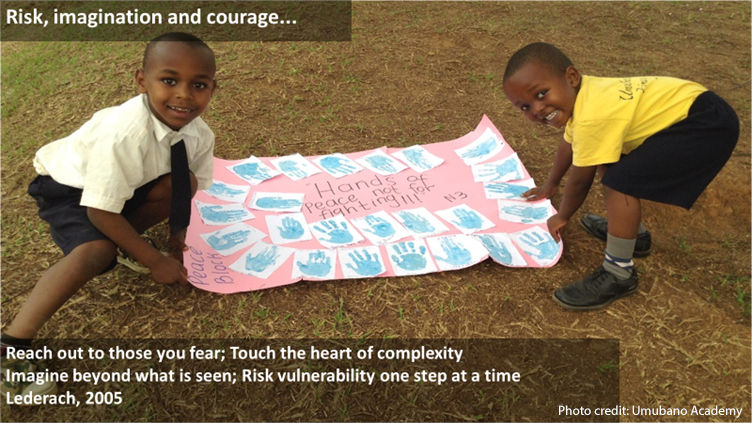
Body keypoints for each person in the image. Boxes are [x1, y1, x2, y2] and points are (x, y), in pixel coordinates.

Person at [1, 32, 217, 400]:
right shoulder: (124, 133)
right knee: (96, 252)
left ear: (214, 88)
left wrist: (177, 234)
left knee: (186, 182)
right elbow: (99, 209)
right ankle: (13, 344)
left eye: (198, 84)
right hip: (69, 188)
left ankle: (120, 240)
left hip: (124, 185)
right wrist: (154, 260)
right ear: (140, 80)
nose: (184, 94)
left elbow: (182, 186)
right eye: (169, 80)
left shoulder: (199, 134)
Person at [502, 42, 738, 311]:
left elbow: (581, 179)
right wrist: (552, 183)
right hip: (698, 110)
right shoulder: (586, 95)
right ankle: (633, 236)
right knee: (612, 165)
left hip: (705, 124)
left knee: (620, 183)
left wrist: (563, 215)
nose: (537, 109)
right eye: (524, 107)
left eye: (542, 94)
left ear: (571, 77)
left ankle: (618, 273)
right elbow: (569, 144)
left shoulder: (592, 116)